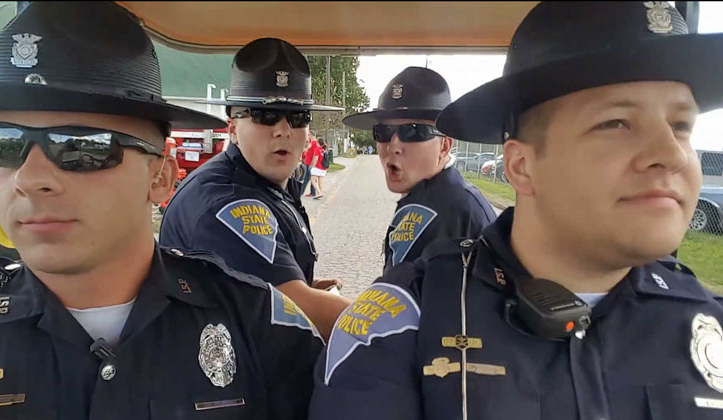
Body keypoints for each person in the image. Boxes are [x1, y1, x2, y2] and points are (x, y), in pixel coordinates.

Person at [309, 2, 723, 419]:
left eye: (681, 126)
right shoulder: (397, 331)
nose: (670, 153)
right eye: (616, 123)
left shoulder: (711, 325)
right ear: (521, 166)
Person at [0, 3, 324, 419]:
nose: (28, 178)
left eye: (82, 146)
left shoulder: (263, 328)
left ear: (160, 176)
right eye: (1, 142)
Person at [160, 38, 351, 340]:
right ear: (232, 127)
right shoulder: (227, 199)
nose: (284, 130)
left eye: (298, 117)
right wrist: (391, 323)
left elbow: (252, 290)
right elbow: (298, 310)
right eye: (266, 115)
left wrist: (298, 281)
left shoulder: (265, 182)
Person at [341, 66, 496, 274]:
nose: (392, 146)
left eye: (413, 132)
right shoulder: (433, 195)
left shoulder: (454, 211)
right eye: (384, 132)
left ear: (444, 146)